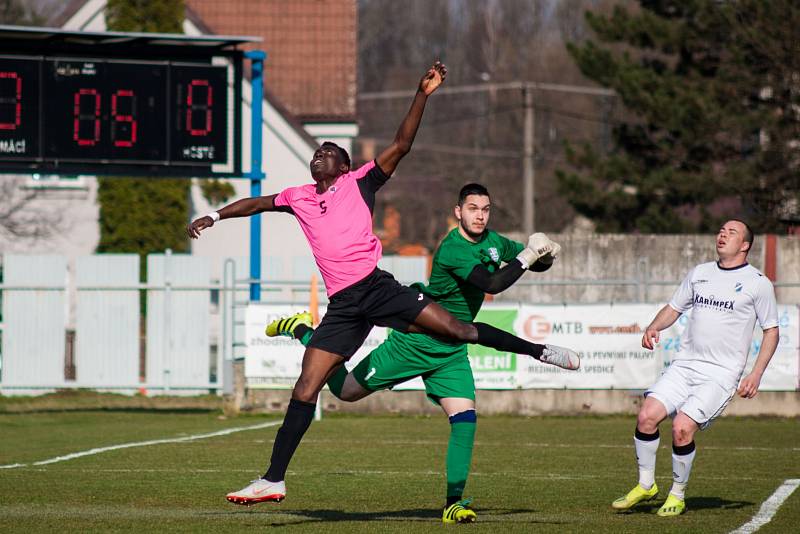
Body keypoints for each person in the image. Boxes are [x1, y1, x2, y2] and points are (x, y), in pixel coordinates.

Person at [187, 62, 579, 509]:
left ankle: (540, 352)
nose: (321, 153)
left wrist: (422, 94)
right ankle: (273, 479)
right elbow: (257, 202)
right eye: (317, 150)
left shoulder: (361, 182)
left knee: (460, 330)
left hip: (378, 288)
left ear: (346, 164)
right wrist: (216, 215)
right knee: (307, 389)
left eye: (330, 150)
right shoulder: (298, 196)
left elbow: (402, 144)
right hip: (344, 305)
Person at [265, 183, 573, 523]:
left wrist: (547, 255)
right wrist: (529, 255)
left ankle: (453, 503)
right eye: (472, 208)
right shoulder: (453, 248)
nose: (480, 215)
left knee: (465, 420)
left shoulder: (493, 242)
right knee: (345, 391)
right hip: (416, 341)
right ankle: (303, 330)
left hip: (451, 351)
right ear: (458, 212)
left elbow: (524, 262)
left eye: (485, 209)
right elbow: (494, 285)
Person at [611, 219, 779, 517]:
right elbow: (675, 307)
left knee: (681, 428)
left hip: (720, 375)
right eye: (721, 230)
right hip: (684, 366)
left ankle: (677, 494)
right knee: (647, 416)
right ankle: (646, 485)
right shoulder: (699, 273)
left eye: (732, 232)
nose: (722, 235)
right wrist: (653, 326)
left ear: (745, 245)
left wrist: (756, 373)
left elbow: (771, 331)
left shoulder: (758, 283)